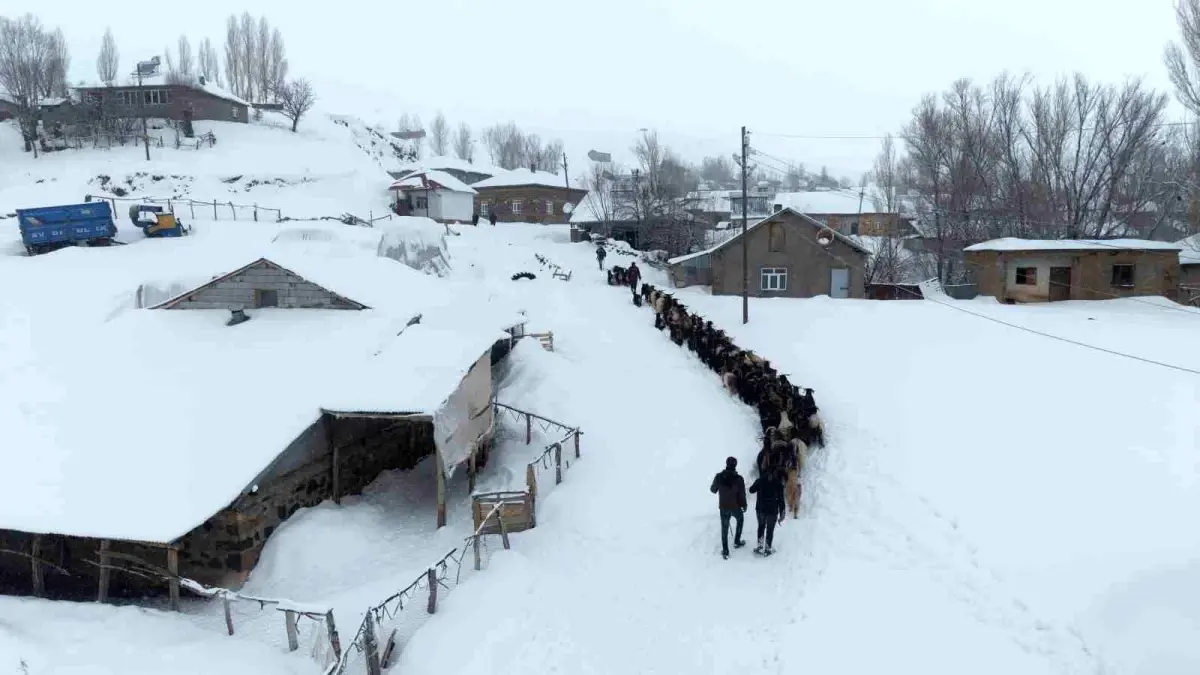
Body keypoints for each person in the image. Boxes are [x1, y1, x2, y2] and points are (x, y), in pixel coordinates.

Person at [709, 456, 747, 559]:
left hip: (723, 507)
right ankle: (737, 541)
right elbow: (742, 494)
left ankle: (725, 551)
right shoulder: (739, 479)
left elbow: (713, 490)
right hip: (735, 506)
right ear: (735, 465)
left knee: (724, 528)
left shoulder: (719, 476)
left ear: (726, 463)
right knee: (740, 520)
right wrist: (744, 505)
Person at [748, 468, 786, 555]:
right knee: (770, 529)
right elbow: (781, 500)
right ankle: (768, 548)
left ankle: (760, 546)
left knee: (761, 527)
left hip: (761, 509)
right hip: (772, 511)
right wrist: (782, 513)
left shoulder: (760, 481)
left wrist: (757, 484)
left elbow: (751, 490)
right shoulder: (778, 484)